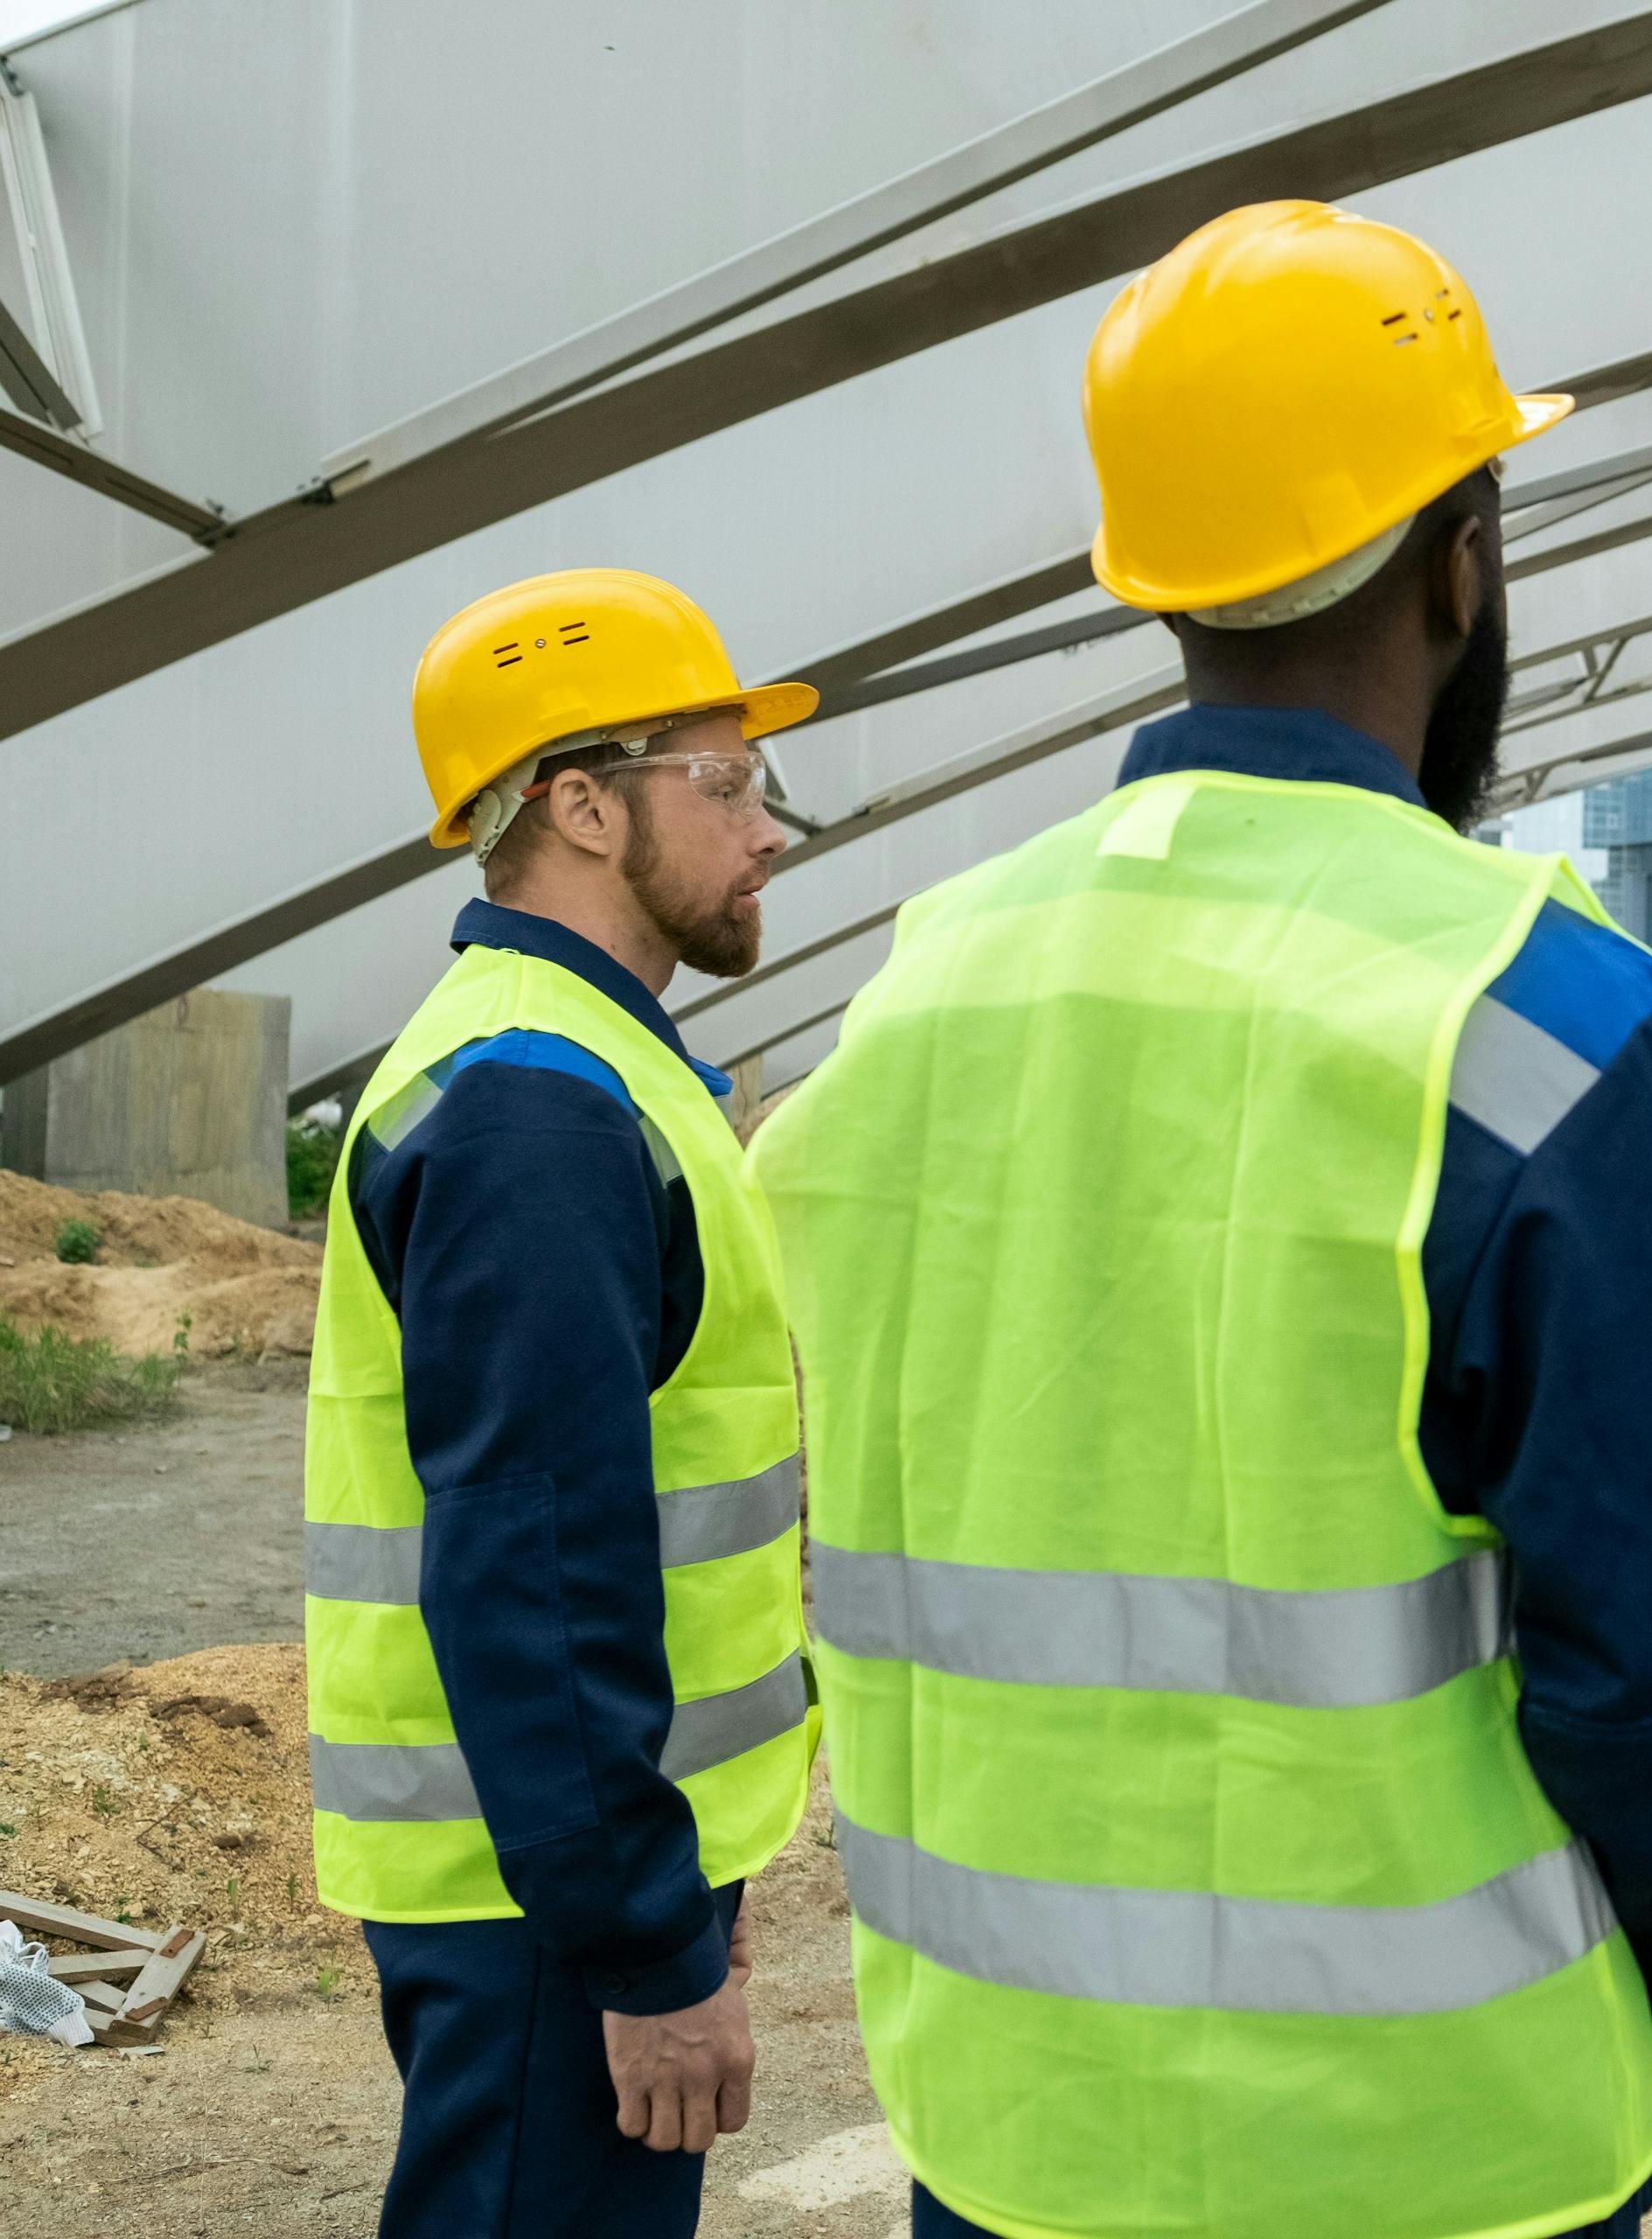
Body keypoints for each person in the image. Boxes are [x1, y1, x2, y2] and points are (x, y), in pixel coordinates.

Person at [745, 200, 1652, 2239]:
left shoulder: (921, 1000)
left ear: (1153, 581)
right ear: (1464, 559)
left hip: (1011, 2126)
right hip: (1439, 2147)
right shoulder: (1547, 1017)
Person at [304, 569, 820, 2237]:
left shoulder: (568, 1063)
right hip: (541, 1894)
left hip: (547, 1861)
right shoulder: (541, 1111)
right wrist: (641, 1944)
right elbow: (533, 1565)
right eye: (726, 786)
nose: (770, 836)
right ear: (584, 806)